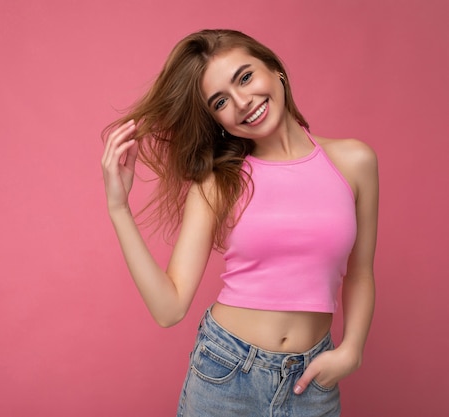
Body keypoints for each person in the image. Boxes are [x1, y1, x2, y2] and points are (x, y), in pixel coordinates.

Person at [101, 29, 377, 417]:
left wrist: (351, 351)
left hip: (312, 381)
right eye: (221, 101)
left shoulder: (354, 162)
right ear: (218, 121)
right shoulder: (217, 183)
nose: (243, 102)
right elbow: (169, 308)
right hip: (226, 376)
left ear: (274, 69)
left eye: (245, 77)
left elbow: (360, 272)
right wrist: (119, 208)